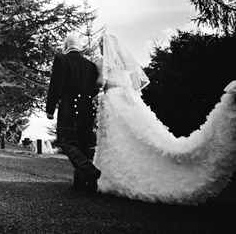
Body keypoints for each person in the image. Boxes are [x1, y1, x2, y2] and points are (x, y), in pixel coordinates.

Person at [93, 33, 236, 205]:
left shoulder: (101, 63)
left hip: (113, 100)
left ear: (103, 48)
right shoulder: (124, 63)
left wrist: (93, 88)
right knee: (141, 136)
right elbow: (132, 84)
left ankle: (113, 175)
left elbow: (100, 83)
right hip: (129, 99)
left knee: (117, 140)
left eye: (101, 46)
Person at [46, 34, 101, 192]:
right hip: (87, 106)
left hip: (70, 105)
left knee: (66, 141)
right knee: (82, 144)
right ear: (79, 46)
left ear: (65, 46)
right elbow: (95, 88)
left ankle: (89, 171)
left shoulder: (61, 59)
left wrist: (50, 108)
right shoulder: (90, 65)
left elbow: (55, 85)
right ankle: (81, 184)